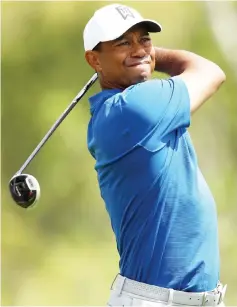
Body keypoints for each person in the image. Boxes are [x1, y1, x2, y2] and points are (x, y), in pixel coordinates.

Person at [83, 3, 227, 307]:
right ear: (94, 59)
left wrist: (140, 55)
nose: (138, 48)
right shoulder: (133, 109)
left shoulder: (132, 108)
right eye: (123, 42)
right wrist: (152, 56)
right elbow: (210, 72)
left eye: (144, 38)